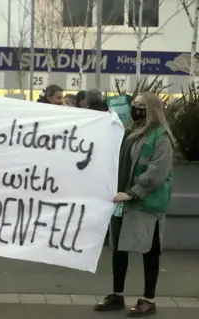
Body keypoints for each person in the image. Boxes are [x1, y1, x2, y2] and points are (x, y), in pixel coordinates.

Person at [94, 92, 174, 317]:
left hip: (146, 204)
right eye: (135, 104)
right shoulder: (130, 132)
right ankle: (117, 295)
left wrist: (133, 193)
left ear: (152, 110)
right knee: (119, 249)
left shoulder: (161, 137)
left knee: (150, 252)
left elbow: (157, 172)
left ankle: (149, 300)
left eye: (141, 105)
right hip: (122, 201)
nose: (136, 108)